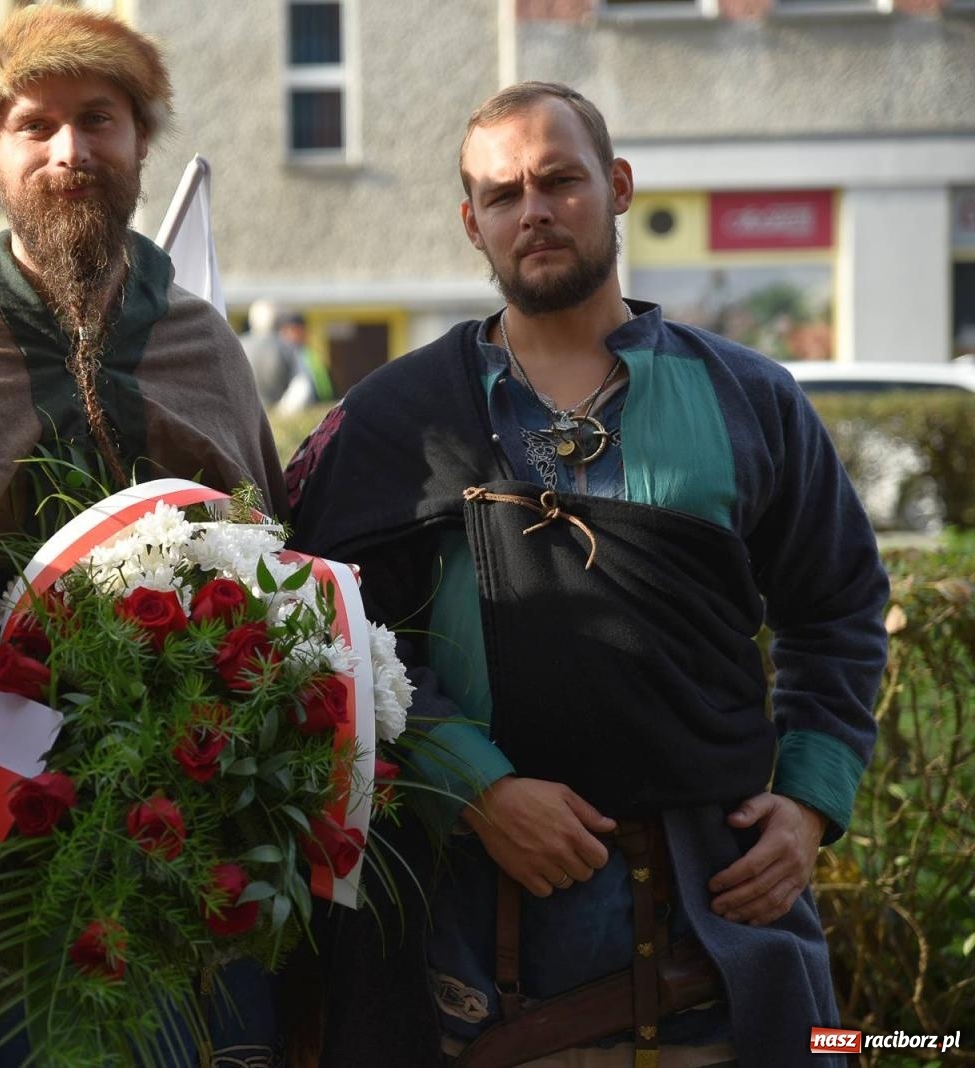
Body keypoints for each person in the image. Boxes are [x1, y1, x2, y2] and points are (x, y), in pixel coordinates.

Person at [284, 83, 887, 1066]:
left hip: (715, 940)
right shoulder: (395, 417)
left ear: (617, 187)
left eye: (559, 180)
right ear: (471, 223)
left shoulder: (749, 398)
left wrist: (812, 801)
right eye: (502, 193)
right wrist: (473, 788)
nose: (534, 210)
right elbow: (333, 634)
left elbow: (840, 606)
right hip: (467, 964)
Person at [0, 7, 286, 1065]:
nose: (70, 151)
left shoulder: (200, 344)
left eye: (99, 119)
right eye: (35, 126)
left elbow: (273, 569)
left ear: (140, 140)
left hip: (198, 829)